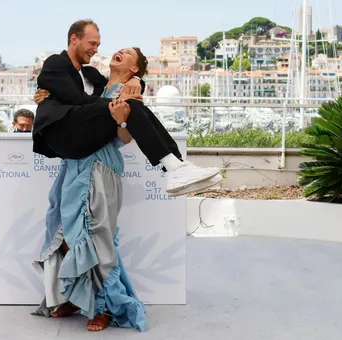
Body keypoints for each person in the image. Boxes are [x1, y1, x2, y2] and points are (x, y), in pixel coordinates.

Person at [32, 47, 153, 333]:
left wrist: (122, 118)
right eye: (120, 49)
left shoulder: (129, 91)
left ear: (134, 69)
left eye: (128, 53)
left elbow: (125, 138)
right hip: (73, 166)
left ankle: (104, 307)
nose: (119, 51)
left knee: (97, 238)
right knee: (62, 230)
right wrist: (41, 96)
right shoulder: (95, 84)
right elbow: (66, 100)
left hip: (101, 167)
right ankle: (75, 296)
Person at [32, 19, 221, 196]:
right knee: (128, 105)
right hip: (62, 134)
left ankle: (176, 166)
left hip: (83, 140)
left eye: (98, 45)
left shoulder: (89, 73)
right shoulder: (57, 62)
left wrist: (137, 80)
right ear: (74, 39)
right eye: (92, 43)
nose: (96, 49)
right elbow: (75, 98)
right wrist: (119, 104)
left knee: (131, 105)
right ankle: (174, 166)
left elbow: (112, 86)